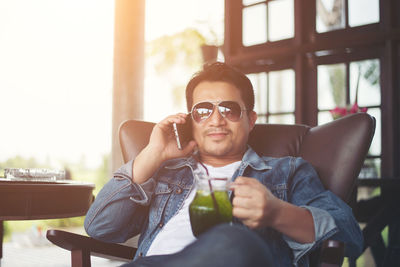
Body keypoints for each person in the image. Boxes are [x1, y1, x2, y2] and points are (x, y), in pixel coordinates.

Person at [84, 62, 363, 267]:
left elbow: (349, 237)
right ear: (192, 121)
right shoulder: (166, 172)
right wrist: (152, 154)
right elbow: (99, 227)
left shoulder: (287, 172)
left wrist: (277, 213)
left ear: (250, 119)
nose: (216, 120)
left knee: (231, 240)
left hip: (231, 256)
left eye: (229, 109)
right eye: (203, 111)